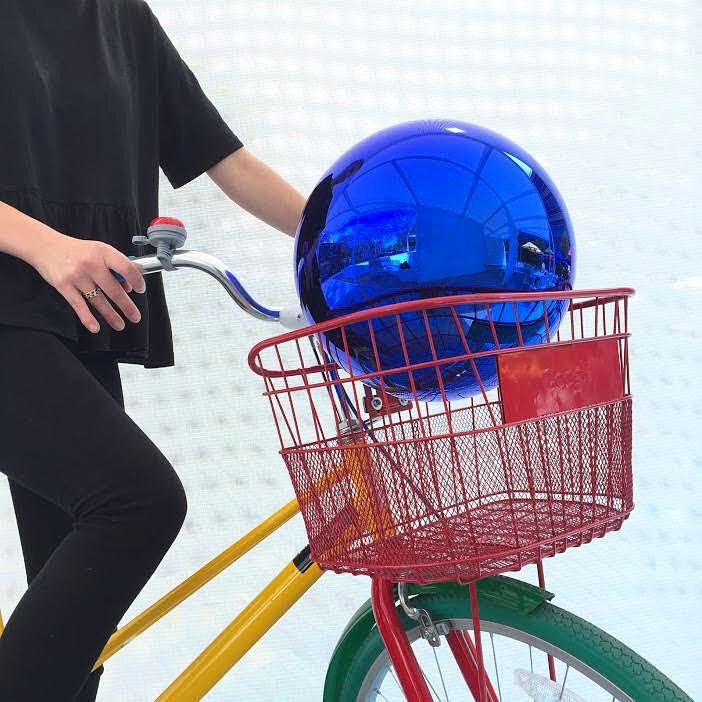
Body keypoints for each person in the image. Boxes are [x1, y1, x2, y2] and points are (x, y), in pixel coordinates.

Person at [0, 1, 306, 700]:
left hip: (71, 322)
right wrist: (47, 245)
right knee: (138, 503)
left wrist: (349, 240)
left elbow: (227, 160)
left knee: (75, 622)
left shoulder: (119, 16)